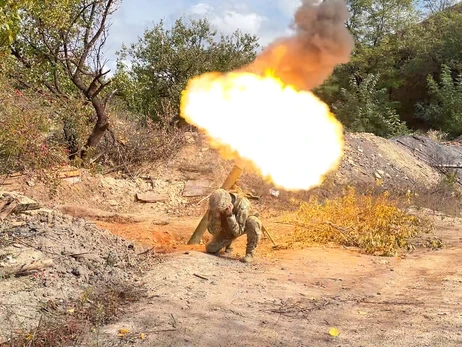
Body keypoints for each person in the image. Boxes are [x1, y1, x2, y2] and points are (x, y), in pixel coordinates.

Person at [205, 188, 262, 263]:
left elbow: (238, 232)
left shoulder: (242, 204)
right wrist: (217, 218)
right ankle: (229, 245)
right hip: (227, 229)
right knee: (211, 249)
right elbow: (212, 231)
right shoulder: (215, 205)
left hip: (242, 226)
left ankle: (250, 253)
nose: (218, 211)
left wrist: (230, 215)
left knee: (253, 222)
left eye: (220, 210)